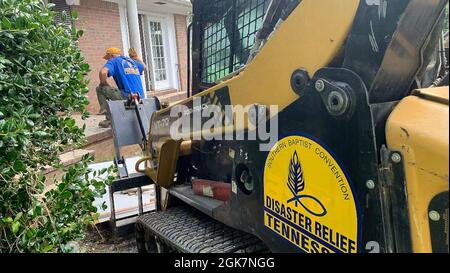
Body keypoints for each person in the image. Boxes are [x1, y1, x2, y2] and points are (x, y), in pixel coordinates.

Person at [97, 47, 147, 127]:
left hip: (128, 96)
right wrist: (137, 58)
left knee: (100, 89)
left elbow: (103, 72)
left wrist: (103, 83)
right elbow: (144, 67)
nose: (107, 60)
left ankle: (109, 119)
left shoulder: (113, 61)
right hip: (140, 97)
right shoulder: (131, 61)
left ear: (111, 55)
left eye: (108, 57)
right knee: (116, 90)